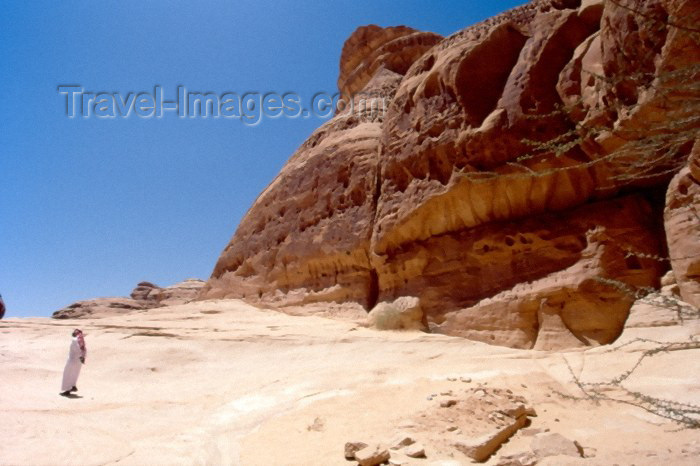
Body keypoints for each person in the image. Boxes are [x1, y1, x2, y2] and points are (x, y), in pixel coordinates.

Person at [60, 329, 86, 397]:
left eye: (74, 332)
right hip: (79, 361)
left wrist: (80, 355)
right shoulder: (82, 340)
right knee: (74, 374)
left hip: (72, 360)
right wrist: (82, 357)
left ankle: (67, 390)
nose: (72, 332)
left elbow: (78, 348)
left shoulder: (74, 339)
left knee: (67, 374)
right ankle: (73, 386)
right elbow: (84, 349)